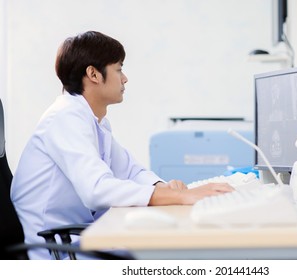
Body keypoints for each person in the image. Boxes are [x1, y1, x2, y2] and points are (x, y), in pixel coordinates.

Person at [10, 31, 233, 259]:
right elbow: (96, 190)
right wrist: (176, 197)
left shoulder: (94, 121)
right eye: (118, 69)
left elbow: (130, 171)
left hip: (80, 236)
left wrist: (166, 188)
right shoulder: (64, 118)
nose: (124, 78)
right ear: (93, 74)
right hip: (57, 250)